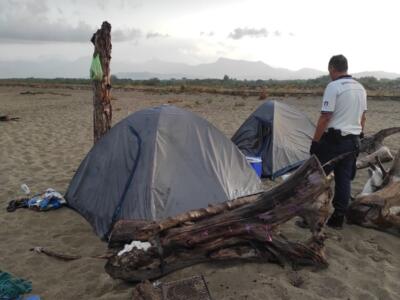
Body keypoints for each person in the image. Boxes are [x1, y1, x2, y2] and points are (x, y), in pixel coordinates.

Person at [310, 54, 367, 229]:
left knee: (316, 177)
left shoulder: (334, 87)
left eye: (329, 70)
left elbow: (325, 117)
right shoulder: (360, 88)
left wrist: (315, 142)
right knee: (344, 180)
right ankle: (338, 218)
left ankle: (312, 216)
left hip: (333, 142)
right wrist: (360, 134)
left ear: (332, 68)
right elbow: (363, 117)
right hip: (352, 141)